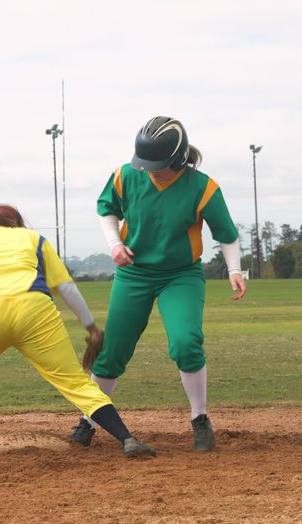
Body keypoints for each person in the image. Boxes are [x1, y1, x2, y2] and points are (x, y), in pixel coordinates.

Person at [0, 204, 156, 459]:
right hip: (34, 312)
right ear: (17, 222)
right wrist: (90, 326)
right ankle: (128, 440)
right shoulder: (34, 239)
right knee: (74, 382)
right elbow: (66, 288)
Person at [67, 116, 246, 452]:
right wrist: (115, 246)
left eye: (158, 166)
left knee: (185, 343)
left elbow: (226, 233)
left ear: (178, 160)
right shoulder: (126, 175)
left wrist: (234, 269)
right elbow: (107, 209)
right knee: (110, 353)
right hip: (134, 273)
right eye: (145, 164)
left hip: (180, 275)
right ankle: (88, 420)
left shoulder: (202, 187)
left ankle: (200, 419)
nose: (150, 171)